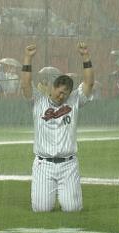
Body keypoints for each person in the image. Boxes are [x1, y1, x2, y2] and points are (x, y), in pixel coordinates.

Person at [21, 42, 94, 212]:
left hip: (68, 164)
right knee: (41, 209)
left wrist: (85, 57)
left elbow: (89, 84)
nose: (62, 96)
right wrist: (27, 58)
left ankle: (67, 196)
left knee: (73, 209)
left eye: (65, 93)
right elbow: (25, 85)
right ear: (52, 87)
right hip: (43, 164)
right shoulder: (39, 101)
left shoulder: (74, 100)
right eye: (60, 91)